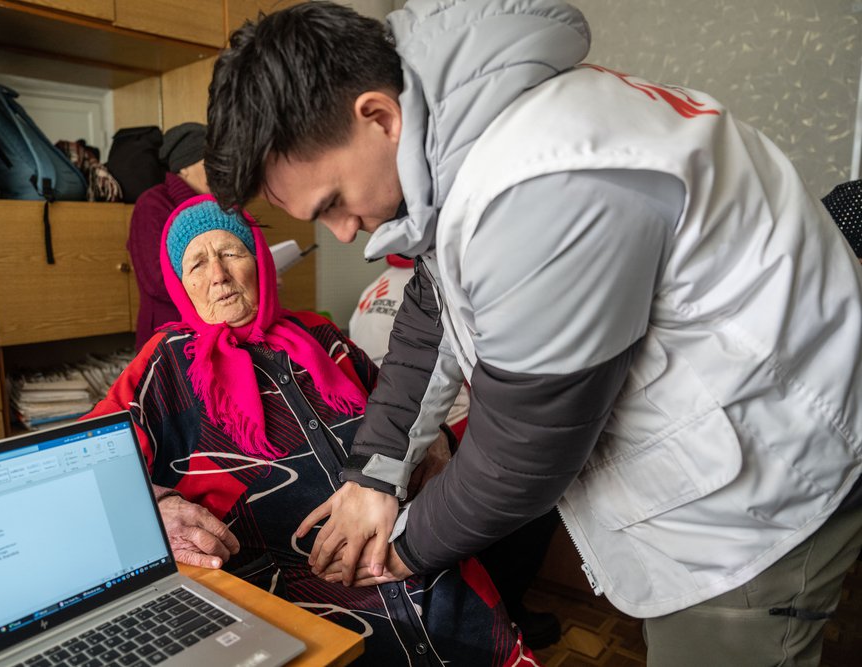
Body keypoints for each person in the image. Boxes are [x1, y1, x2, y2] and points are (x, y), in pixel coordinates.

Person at [203, 1, 862, 665]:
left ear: (378, 116)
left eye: (334, 204)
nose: (345, 232)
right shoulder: (467, 138)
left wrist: (399, 552)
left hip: (766, 487)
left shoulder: (540, 188)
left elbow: (521, 453)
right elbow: (433, 313)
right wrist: (374, 471)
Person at [86, 196, 538, 666]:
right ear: (181, 286)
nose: (217, 274)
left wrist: (439, 443)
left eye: (231, 253)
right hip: (307, 615)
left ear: (259, 261)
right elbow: (85, 458)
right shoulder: (166, 364)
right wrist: (158, 507)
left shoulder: (322, 337)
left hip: (429, 577)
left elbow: (407, 410)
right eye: (197, 263)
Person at [350, 254, 562, 648]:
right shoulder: (439, 282)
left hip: (414, 432)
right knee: (530, 517)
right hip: (445, 431)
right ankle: (506, 610)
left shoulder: (376, 288)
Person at [127, 122, 211, 350]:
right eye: (209, 162)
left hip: (213, 334)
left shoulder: (221, 207)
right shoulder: (152, 204)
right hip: (167, 339)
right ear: (183, 167)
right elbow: (157, 281)